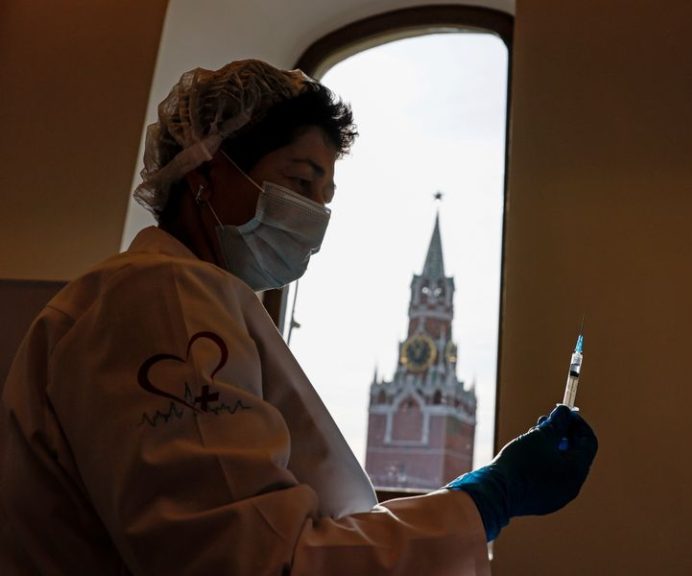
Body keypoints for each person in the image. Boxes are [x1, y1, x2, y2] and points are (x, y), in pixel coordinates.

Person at [0, 59, 597, 575]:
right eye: (300, 181)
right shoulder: (165, 299)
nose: (313, 214)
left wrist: (475, 500)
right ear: (206, 171)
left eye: (324, 196)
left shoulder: (199, 299)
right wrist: (488, 499)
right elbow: (254, 560)